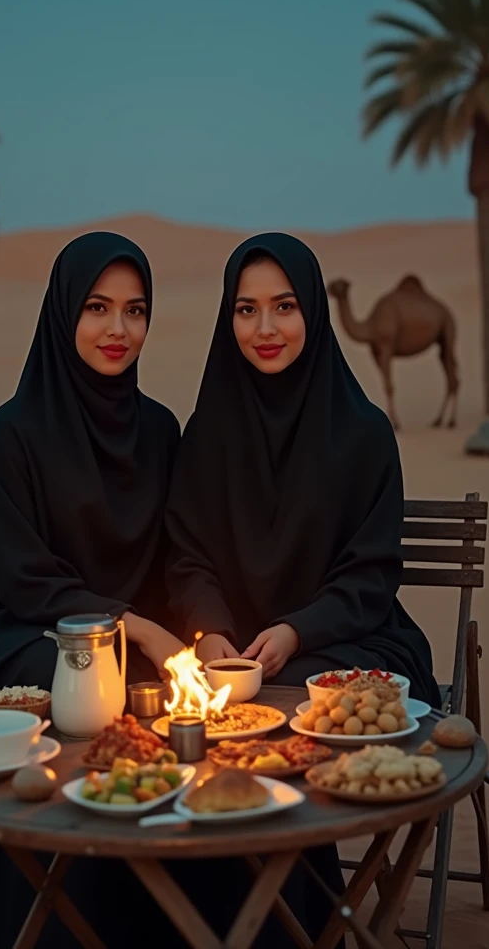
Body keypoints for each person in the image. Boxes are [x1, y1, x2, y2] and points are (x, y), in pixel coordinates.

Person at [0, 231, 186, 947]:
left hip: (121, 655)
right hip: (0, 639)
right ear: (63, 313)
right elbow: (21, 576)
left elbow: (174, 564)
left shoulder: (158, 433)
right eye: (97, 307)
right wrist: (131, 625)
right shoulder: (10, 436)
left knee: (159, 699)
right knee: (72, 675)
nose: (118, 330)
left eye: (135, 310)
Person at [166, 232, 440, 708]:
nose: (265, 328)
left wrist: (297, 631)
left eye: (285, 307)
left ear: (313, 311)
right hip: (233, 650)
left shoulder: (363, 434)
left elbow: (369, 574)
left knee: (303, 685)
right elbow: (187, 556)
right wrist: (208, 630)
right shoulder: (208, 435)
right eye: (247, 309)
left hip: (344, 642)